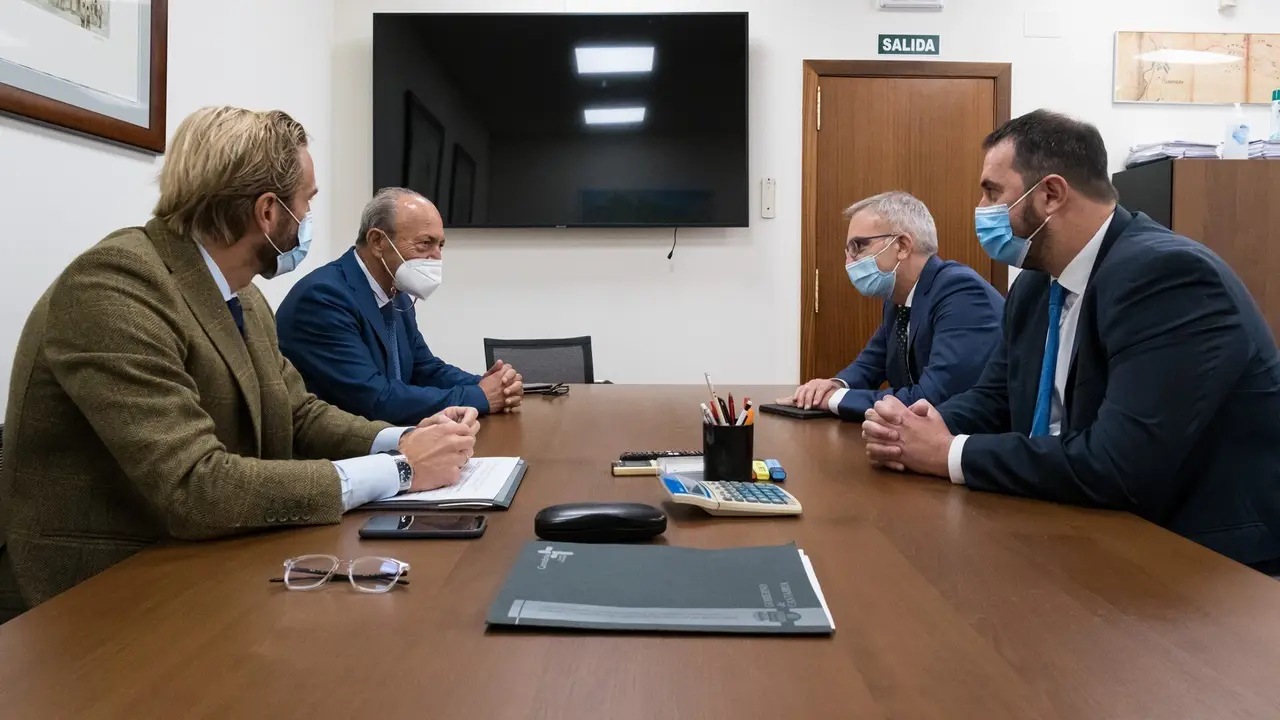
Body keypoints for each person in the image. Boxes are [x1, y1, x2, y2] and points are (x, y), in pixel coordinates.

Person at [0, 107, 480, 619]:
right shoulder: (115, 286)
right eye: (308, 201)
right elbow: (194, 486)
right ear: (268, 212)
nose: (309, 218)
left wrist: (401, 439)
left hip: (211, 560)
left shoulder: (242, 295)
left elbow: (298, 412)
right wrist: (401, 470)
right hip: (99, 595)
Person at [862, 109, 1280, 568]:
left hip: (1196, 559)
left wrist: (948, 452)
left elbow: (1119, 464)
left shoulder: (1167, 277)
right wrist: (913, 425)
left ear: (1051, 194)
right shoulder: (1035, 284)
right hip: (1075, 526)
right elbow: (995, 398)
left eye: (992, 192)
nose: (981, 209)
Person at [276, 188, 523, 425]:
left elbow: (423, 368)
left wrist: (489, 385)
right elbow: (374, 399)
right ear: (377, 242)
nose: (437, 257)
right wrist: (479, 396)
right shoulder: (323, 297)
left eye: (440, 245)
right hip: (337, 449)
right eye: (425, 243)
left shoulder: (397, 292)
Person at [785, 191, 1004, 420]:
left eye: (858, 247)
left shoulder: (960, 292)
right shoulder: (898, 301)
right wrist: (833, 386)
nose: (849, 262)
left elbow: (931, 399)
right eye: (847, 252)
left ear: (902, 245)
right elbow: (870, 365)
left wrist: (835, 399)